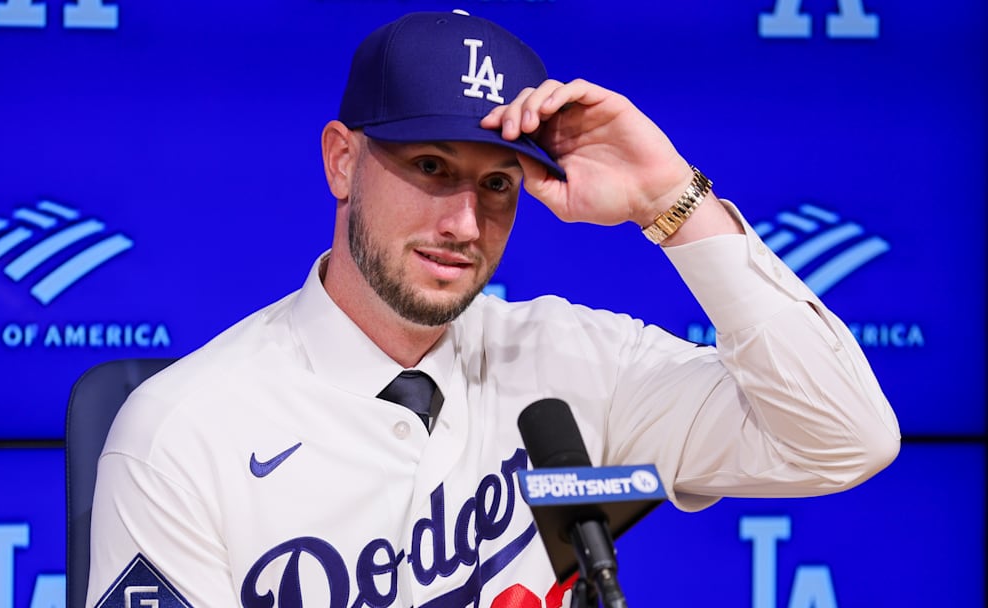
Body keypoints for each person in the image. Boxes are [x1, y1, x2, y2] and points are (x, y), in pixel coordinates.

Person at [86, 10, 900, 608]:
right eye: (431, 166)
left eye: (497, 184)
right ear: (342, 160)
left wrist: (670, 200)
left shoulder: (572, 362)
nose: (464, 224)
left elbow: (842, 438)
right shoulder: (182, 433)